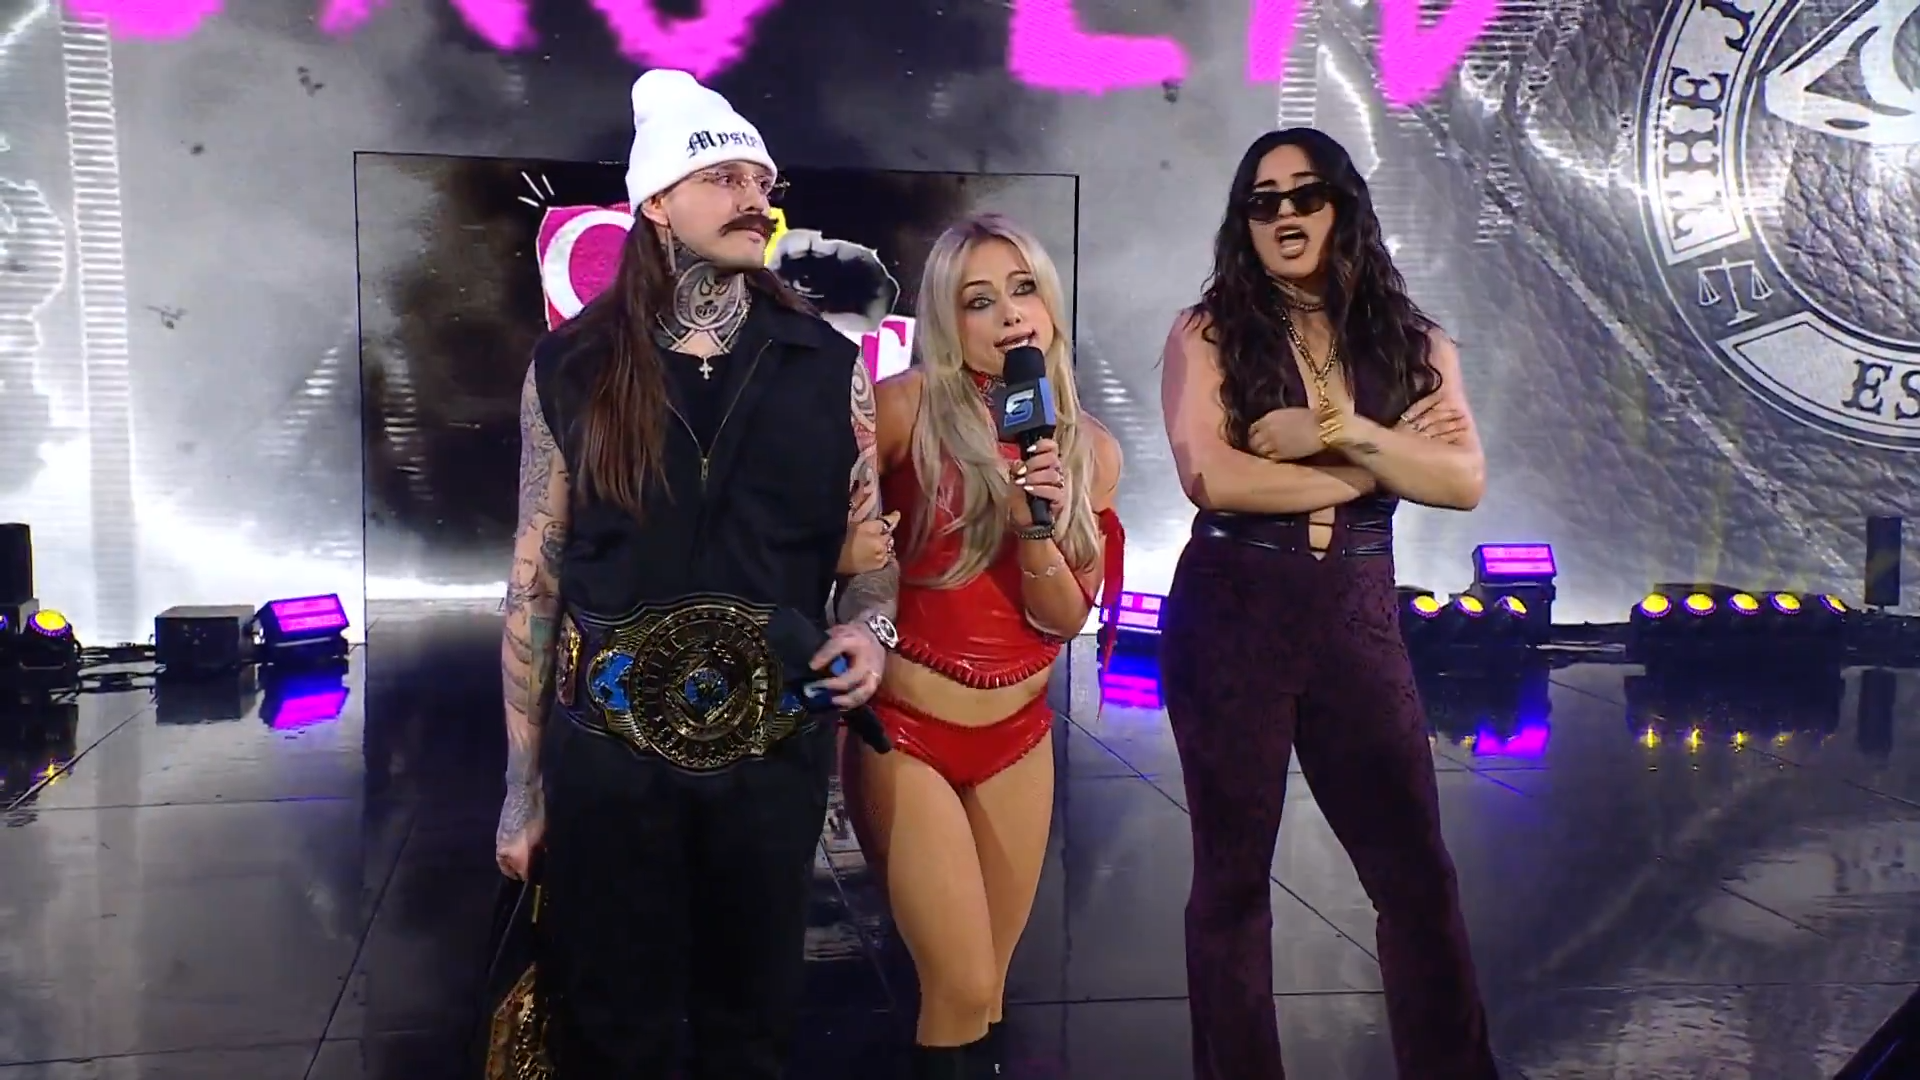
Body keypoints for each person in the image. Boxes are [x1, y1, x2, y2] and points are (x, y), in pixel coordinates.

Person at [492, 70, 901, 1079]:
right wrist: (520, 788)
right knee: (611, 1036)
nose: (753, 197)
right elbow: (535, 584)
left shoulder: (826, 365)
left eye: (762, 179)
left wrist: (870, 629)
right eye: (722, 177)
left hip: (770, 764)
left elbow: (868, 559)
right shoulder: (573, 368)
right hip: (612, 766)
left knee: (751, 1035)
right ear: (656, 203)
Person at [1156, 127, 1496, 1079]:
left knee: (1416, 875)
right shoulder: (1207, 332)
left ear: (1342, 205)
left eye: (1304, 195)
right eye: (1263, 202)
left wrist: (1337, 429)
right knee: (1232, 882)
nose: (1285, 216)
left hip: (1356, 610)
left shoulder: (1415, 340)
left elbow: (1463, 481)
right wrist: (1379, 464)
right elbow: (1214, 478)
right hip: (1234, 609)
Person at [840, 213, 1125, 1079]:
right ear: (946, 319)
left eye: (1023, 289)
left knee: (990, 991)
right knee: (958, 984)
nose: (1009, 315)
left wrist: (1036, 527)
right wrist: (843, 550)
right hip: (906, 735)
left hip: (1019, 741)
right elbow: (809, 528)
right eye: (979, 300)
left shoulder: (1089, 451)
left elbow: (1062, 621)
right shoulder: (904, 408)